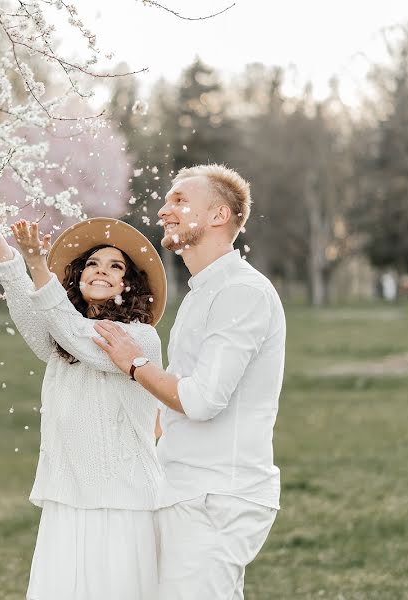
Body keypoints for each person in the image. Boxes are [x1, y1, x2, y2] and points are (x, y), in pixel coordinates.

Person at [0, 191, 168, 600]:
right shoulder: (61, 344)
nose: (102, 271)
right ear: (77, 276)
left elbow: (81, 337)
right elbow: (23, 298)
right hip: (68, 496)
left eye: (115, 267)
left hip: (124, 501)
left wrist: (39, 264)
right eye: (92, 263)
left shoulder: (139, 338)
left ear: (128, 284)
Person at [91, 164, 286, 600]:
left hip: (218, 496)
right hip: (187, 491)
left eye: (180, 200)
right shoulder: (204, 293)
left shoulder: (242, 292)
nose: (164, 210)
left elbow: (201, 400)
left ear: (219, 215)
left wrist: (133, 362)